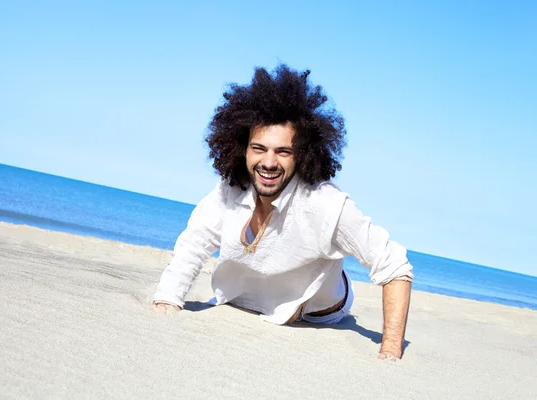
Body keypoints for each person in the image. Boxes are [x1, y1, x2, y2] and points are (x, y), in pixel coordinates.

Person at [152, 64, 414, 361]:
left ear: (301, 155)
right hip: (245, 299)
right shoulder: (230, 189)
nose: (269, 162)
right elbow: (195, 243)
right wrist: (168, 298)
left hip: (315, 315)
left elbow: (394, 266)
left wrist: (391, 350)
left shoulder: (326, 205)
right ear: (243, 149)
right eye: (258, 148)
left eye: (283, 151)